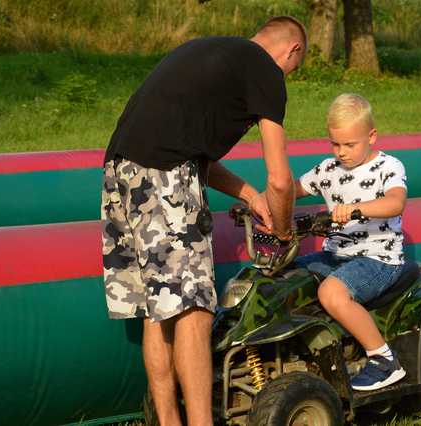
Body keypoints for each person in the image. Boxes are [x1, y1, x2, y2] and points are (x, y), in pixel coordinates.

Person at [100, 16, 307, 426]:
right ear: (292, 51)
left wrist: (249, 196)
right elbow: (281, 181)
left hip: (119, 172)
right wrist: (284, 231)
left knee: (156, 311)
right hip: (167, 176)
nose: (286, 76)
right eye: (292, 70)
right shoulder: (265, 68)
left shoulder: (209, 52)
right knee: (194, 309)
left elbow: (196, 157)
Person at [296, 93, 408, 391]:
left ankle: (384, 359)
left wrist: (357, 210)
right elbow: (292, 190)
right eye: (335, 144)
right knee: (287, 277)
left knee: (331, 293)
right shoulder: (328, 169)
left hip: (378, 259)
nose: (342, 152)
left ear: (371, 136)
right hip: (336, 254)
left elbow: (395, 202)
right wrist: (263, 202)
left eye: (350, 144)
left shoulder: (388, 166)